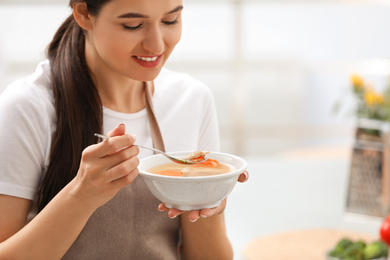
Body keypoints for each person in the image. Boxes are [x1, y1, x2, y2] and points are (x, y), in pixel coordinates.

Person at [0, 0, 249, 259]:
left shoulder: (192, 100)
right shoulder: (28, 107)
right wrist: (80, 195)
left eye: (170, 21)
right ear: (84, 13)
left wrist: (209, 195)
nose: (156, 45)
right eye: (133, 25)